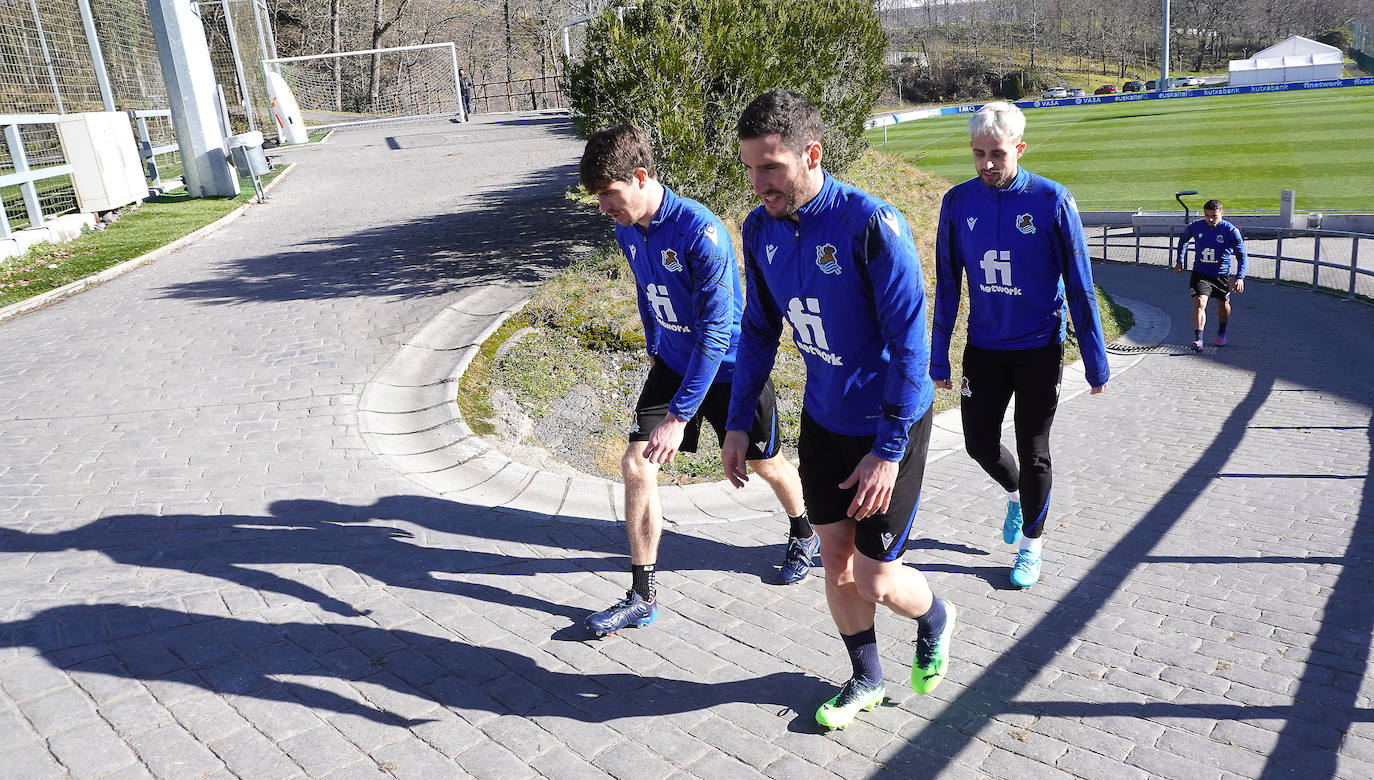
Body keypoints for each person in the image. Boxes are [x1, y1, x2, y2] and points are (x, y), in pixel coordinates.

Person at [724, 91, 955, 730]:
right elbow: (758, 328)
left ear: (812, 155)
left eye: (771, 167)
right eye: (750, 168)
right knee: (835, 562)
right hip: (823, 420)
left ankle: (934, 615)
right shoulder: (758, 228)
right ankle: (866, 679)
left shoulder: (872, 225)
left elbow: (912, 342)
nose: (759, 182)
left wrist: (888, 448)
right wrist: (739, 419)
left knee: (878, 579)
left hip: (889, 423)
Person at [578, 124, 813, 638]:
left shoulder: (700, 232)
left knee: (764, 462)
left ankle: (803, 530)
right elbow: (646, 287)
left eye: (610, 196)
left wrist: (679, 416)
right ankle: (642, 594)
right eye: (598, 199)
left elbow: (715, 332)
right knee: (636, 463)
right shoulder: (625, 226)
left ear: (641, 177)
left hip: (729, 366)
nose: (604, 208)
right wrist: (652, 340)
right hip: (674, 360)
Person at [930, 101, 1109, 589]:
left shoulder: (1053, 200)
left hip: (1038, 347)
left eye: (998, 154)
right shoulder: (958, 202)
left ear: (1020, 149)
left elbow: (1080, 284)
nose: (987, 164)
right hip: (984, 347)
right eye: (978, 153)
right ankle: (1016, 495)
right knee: (978, 444)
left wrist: (1095, 361)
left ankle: (1032, 545)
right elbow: (948, 282)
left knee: (1035, 452)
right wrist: (938, 350)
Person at [1175, 198, 1246, 352]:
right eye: (1207, 216)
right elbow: (1183, 241)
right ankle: (1198, 339)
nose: (1210, 219)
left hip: (1221, 275)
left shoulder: (1231, 231)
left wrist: (1240, 277)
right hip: (1201, 273)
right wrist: (1180, 260)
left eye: (1214, 216)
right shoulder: (1196, 226)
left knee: (1223, 304)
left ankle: (1221, 332)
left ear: (1222, 213)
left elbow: (1242, 255)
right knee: (1200, 303)